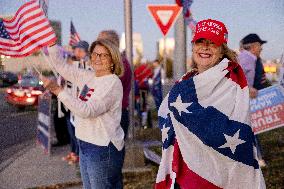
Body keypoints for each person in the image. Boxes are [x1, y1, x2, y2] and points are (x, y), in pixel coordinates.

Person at [155, 19, 265, 189]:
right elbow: (167, 117)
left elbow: (226, 130)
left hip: (216, 174)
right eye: (200, 41)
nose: (205, 47)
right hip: (184, 170)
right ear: (193, 47)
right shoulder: (185, 82)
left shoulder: (231, 83)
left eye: (212, 43)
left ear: (222, 51)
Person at [41, 39, 125, 189]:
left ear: (113, 60)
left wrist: (58, 90)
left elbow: (87, 111)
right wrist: (52, 44)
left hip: (103, 147)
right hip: (85, 144)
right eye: (95, 54)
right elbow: (62, 67)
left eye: (104, 55)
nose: (97, 59)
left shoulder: (112, 83)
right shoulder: (90, 76)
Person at [238, 33, 270, 167]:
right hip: (242, 100)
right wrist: (247, 88)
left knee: (250, 128)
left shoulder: (250, 58)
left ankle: (256, 157)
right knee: (249, 128)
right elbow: (237, 76)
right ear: (253, 46)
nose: (261, 48)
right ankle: (257, 158)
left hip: (244, 99)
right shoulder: (246, 58)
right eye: (259, 45)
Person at [97, 30, 132, 138]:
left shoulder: (117, 64)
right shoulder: (119, 62)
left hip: (113, 116)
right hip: (113, 115)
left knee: (110, 153)